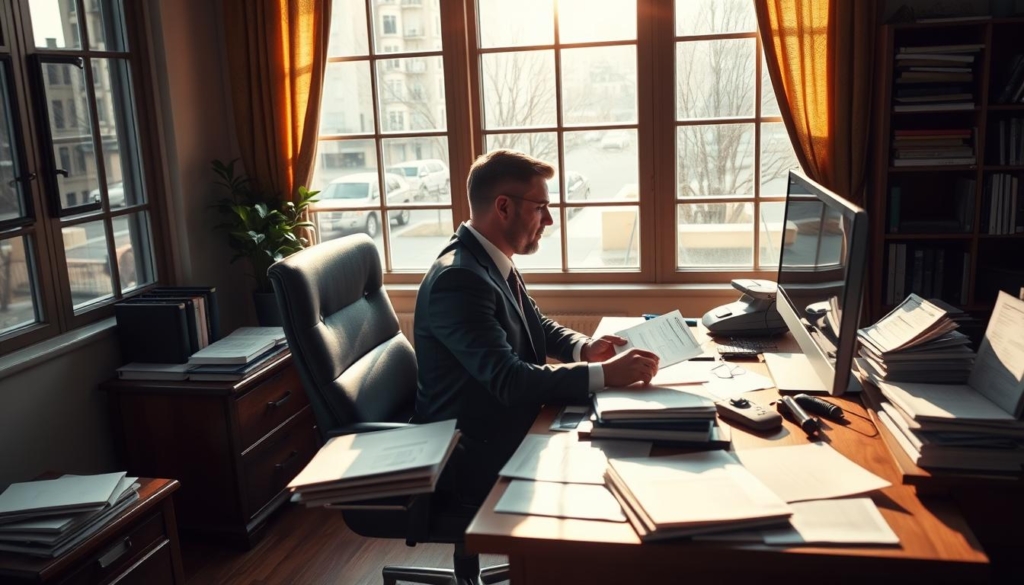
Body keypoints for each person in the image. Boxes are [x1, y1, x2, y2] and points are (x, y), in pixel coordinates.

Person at [413, 150, 660, 508]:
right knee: (612, 478)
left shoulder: (489, 257)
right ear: (503, 207)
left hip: (508, 425)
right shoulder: (459, 279)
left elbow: (533, 323)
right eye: (540, 207)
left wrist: (584, 348)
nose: (549, 220)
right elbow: (510, 381)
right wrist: (604, 374)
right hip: (471, 452)